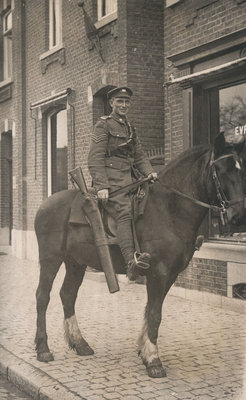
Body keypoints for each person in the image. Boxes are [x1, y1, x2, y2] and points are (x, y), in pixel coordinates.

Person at [88, 86, 157, 280]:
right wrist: (102, 186)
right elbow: (94, 158)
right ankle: (130, 262)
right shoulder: (103, 125)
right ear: (111, 103)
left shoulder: (130, 127)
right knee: (124, 210)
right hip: (112, 180)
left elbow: (140, 156)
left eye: (127, 102)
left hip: (131, 178)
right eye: (120, 101)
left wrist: (150, 172)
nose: (124, 105)